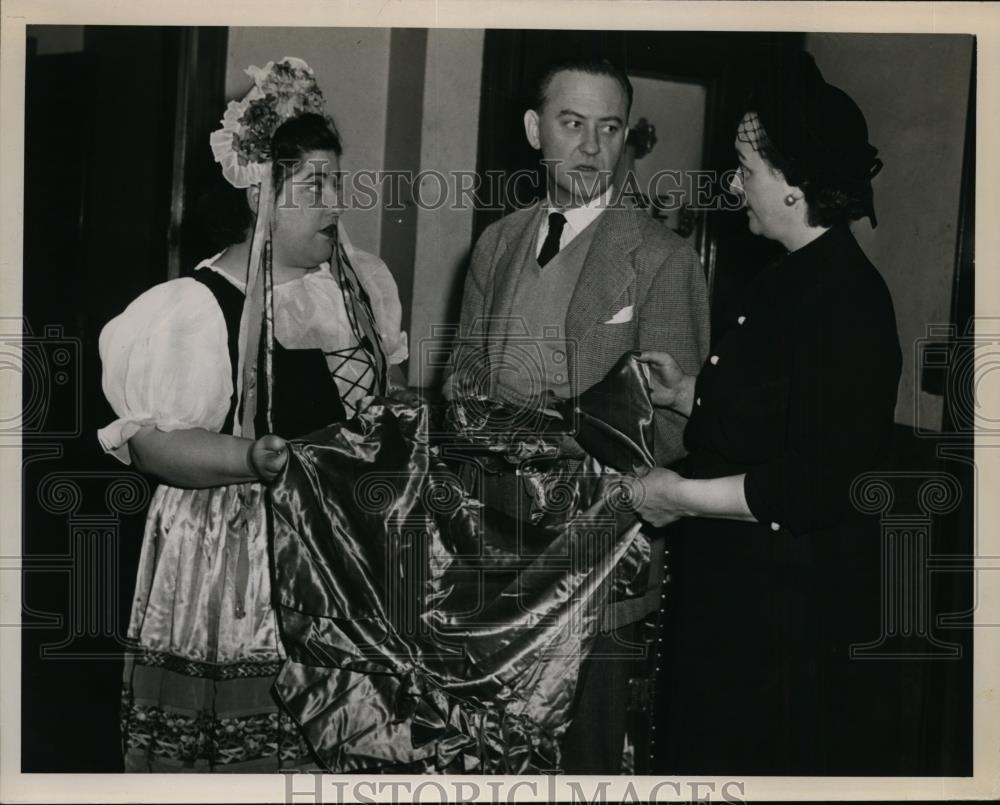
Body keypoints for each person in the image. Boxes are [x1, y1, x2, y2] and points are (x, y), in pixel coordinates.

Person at [97, 58, 409, 772]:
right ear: (258, 194)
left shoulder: (362, 291)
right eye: (312, 187)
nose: (335, 203)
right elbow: (149, 445)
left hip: (340, 559)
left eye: (338, 182)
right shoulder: (196, 305)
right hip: (231, 569)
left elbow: (379, 408)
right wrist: (249, 457)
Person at [631, 52, 903, 773]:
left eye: (746, 170)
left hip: (784, 617)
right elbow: (780, 412)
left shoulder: (847, 301)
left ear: (795, 188)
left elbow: (813, 480)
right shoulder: (789, 278)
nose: (733, 183)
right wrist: (686, 391)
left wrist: (677, 495)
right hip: (742, 592)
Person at [445, 56, 710, 773]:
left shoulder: (662, 257)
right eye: (572, 124)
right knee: (491, 749)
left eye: (609, 127)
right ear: (536, 131)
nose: (592, 147)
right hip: (492, 552)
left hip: (600, 562)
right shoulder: (496, 244)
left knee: (587, 754)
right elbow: (462, 388)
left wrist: (558, 441)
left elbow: (679, 429)